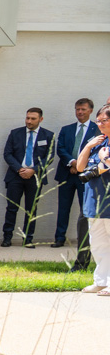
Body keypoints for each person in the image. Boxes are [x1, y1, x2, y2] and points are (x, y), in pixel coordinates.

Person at [1, 106, 53, 248]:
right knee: (12, 208)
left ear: (40, 119)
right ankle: (7, 237)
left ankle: (28, 239)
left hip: (35, 177)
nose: (29, 121)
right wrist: (20, 169)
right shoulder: (15, 133)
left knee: (31, 209)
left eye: (33, 119)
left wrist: (34, 170)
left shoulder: (48, 135)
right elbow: (7, 154)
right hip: (15, 176)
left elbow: (49, 157)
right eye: (27, 118)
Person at [55, 98, 97, 262]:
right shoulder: (67, 129)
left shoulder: (97, 130)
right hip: (67, 172)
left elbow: (94, 152)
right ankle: (59, 238)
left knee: (84, 210)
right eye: (77, 109)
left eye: (83, 109)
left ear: (90, 111)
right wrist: (72, 163)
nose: (80, 112)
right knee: (63, 207)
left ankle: (85, 241)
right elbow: (61, 149)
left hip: (85, 175)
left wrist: (80, 165)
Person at [75, 105, 110, 295]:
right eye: (98, 121)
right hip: (94, 200)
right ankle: (101, 281)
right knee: (98, 244)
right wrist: (88, 146)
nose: (100, 124)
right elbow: (80, 168)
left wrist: (106, 159)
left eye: (104, 120)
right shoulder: (96, 142)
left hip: (109, 200)